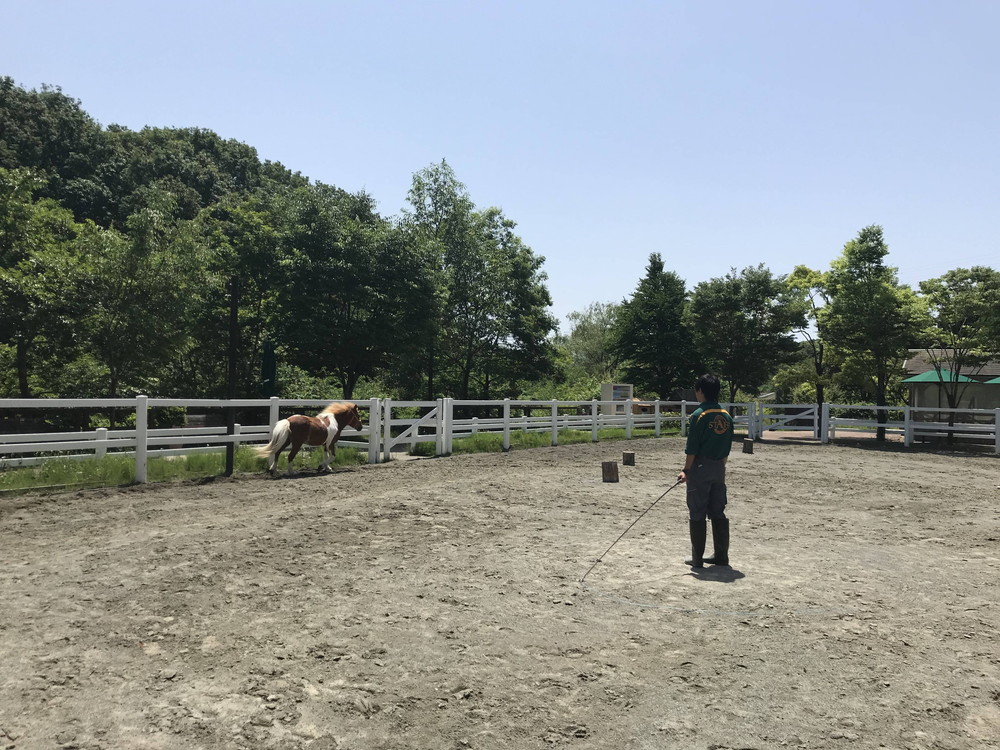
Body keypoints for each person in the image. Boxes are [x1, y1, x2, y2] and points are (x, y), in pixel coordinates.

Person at [677, 373, 734, 568]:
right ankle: (721, 555)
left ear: (700, 391)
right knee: (718, 510)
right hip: (719, 467)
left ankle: (697, 558)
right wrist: (720, 466)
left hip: (700, 467)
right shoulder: (726, 416)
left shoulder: (698, 415)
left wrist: (686, 470)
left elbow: (692, 447)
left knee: (697, 510)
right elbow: (727, 445)